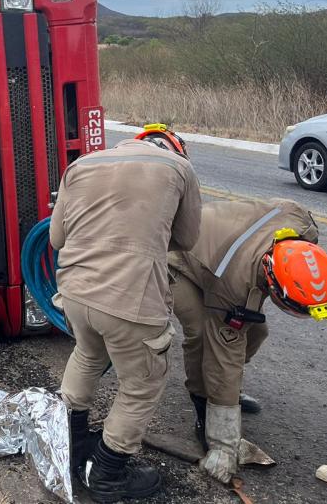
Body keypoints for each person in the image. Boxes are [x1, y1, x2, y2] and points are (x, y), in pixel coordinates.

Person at [50, 123, 202, 503]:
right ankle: (108, 473)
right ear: (175, 149)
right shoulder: (179, 168)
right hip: (129, 300)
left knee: (87, 354)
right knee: (141, 383)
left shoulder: (82, 164)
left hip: (75, 293)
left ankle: (70, 446)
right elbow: (186, 239)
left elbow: (56, 239)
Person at [168, 198, 327, 483]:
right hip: (180, 259)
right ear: (272, 282)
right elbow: (226, 354)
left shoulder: (303, 229)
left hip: (224, 245)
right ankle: (203, 403)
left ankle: (222, 394)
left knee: (257, 332)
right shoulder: (235, 283)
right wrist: (224, 443)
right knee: (201, 334)